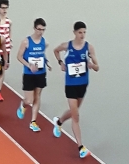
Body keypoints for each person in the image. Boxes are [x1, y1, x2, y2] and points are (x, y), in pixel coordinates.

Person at [52, 21, 99, 158]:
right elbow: (55, 50)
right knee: (76, 116)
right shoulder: (67, 46)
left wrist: (92, 65)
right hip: (71, 84)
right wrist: (60, 63)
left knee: (75, 111)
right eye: (80, 32)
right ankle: (80, 147)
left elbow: (97, 67)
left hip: (83, 84)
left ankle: (59, 121)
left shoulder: (89, 48)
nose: (82, 35)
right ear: (74, 33)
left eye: (84, 32)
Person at [16, 18, 51, 132]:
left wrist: (46, 62)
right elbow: (19, 57)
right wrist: (29, 65)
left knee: (37, 96)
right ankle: (23, 105)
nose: (40, 32)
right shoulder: (26, 42)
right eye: (39, 29)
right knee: (29, 100)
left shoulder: (44, 42)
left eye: (43, 30)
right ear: (34, 28)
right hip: (29, 74)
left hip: (41, 73)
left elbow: (41, 54)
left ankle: (33, 122)